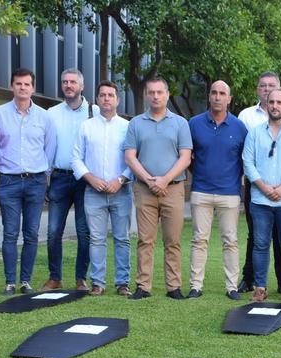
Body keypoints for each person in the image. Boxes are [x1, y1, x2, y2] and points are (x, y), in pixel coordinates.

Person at [123, 75, 192, 300]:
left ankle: (173, 286)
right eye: (151, 92)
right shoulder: (136, 123)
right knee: (145, 240)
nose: (155, 96)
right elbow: (130, 157)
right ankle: (143, 286)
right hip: (144, 189)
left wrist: (163, 180)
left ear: (167, 94)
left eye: (159, 92)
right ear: (146, 95)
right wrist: (150, 180)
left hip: (173, 188)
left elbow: (185, 157)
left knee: (172, 240)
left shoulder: (180, 123)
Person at [0, 68, 56, 296]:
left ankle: (25, 281)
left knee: (31, 233)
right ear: (11, 86)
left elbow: (50, 148)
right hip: (9, 181)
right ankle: (9, 281)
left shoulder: (44, 117)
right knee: (10, 233)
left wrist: (43, 173)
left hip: (36, 181)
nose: (23, 88)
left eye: (27, 84)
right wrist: (3, 168)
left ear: (33, 88)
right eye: (18, 84)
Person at [239, 72, 281, 293]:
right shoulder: (255, 133)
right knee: (259, 245)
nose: (275, 105)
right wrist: (265, 187)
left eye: (279, 102)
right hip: (260, 199)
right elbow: (247, 162)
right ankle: (259, 287)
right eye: (271, 102)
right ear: (266, 105)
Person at [188, 80, 248, 299]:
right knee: (198, 240)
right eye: (214, 92)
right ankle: (196, 286)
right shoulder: (194, 124)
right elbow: (188, 157)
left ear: (229, 99)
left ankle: (232, 287)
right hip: (201, 190)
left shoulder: (239, 127)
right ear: (209, 96)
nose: (217, 96)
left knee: (230, 241)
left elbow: (244, 159)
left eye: (222, 93)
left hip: (229, 192)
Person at [74, 80, 133, 296]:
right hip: (94, 192)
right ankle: (98, 282)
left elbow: (134, 160)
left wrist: (121, 179)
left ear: (117, 100)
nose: (106, 98)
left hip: (121, 191)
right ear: (97, 100)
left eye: (110, 95)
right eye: (102, 95)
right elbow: (76, 159)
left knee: (122, 238)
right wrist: (91, 178)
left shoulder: (127, 127)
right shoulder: (86, 126)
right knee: (96, 239)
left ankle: (122, 283)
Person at [43, 68, 94, 291]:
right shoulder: (51, 113)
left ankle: (81, 278)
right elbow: (45, 147)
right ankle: (55, 277)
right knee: (53, 231)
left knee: (84, 231)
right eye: (65, 81)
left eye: (73, 82)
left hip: (85, 180)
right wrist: (45, 178)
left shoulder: (96, 112)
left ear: (81, 86)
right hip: (60, 177)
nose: (68, 85)